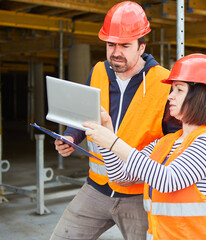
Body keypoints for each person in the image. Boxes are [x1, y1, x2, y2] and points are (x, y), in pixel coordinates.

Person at [51, 2, 178, 239]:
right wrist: (70, 136)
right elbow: (84, 116)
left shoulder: (163, 81)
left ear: (142, 47)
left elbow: (174, 139)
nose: (116, 52)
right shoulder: (98, 71)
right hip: (96, 188)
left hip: (139, 194)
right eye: (111, 44)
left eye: (124, 45)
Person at [84, 53, 206, 240]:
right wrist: (108, 133)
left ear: (202, 96)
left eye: (179, 90)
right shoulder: (166, 142)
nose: (170, 96)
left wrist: (114, 143)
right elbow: (121, 177)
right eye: (172, 90)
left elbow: (169, 180)